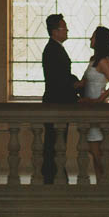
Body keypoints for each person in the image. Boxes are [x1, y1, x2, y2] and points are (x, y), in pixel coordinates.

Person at [39, 13, 79, 184]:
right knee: (54, 143)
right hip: (56, 103)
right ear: (55, 32)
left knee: (57, 142)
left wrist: (76, 82)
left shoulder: (56, 48)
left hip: (58, 102)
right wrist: (77, 86)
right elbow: (59, 80)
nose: (67, 30)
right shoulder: (52, 50)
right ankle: (51, 176)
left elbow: (64, 76)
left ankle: (55, 174)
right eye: (64, 28)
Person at [81, 25, 109, 181]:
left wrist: (99, 100)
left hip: (97, 109)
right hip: (88, 108)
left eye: (93, 36)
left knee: (96, 147)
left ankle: (105, 178)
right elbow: (84, 81)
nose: (90, 39)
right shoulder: (93, 60)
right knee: (93, 148)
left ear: (100, 40)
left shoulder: (103, 61)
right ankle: (101, 180)